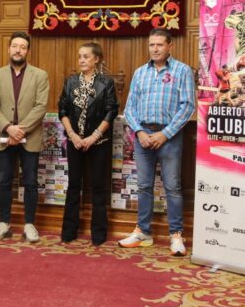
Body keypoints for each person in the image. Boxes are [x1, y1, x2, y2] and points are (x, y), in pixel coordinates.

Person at [119, 28, 195, 256]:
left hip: (169, 136)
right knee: (143, 186)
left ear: (170, 46)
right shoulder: (140, 72)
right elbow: (130, 107)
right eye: (151, 45)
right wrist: (140, 132)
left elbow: (188, 105)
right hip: (143, 136)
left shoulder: (182, 71)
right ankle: (143, 232)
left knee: (172, 187)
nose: (155, 49)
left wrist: (166, 133)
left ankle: (176, 235)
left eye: (160, 45)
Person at [0, 31, 49, 243]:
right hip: (4, 137)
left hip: (29, 138)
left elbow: (41, 106)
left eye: (22, 47)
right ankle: (3, 223)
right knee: (4, 180)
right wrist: (8, 128)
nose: (18, 50)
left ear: (28, 51)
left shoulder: (40, 75)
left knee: (30, 181)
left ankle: (30, 224)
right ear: (9, 49)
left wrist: (20, 129)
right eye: (15, 46)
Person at [58, 43, 119, 246]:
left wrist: (93, 137)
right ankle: (69, 231)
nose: (82, 60)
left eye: (86, 56)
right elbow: (63, 110)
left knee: (98, 187)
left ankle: (99, 234)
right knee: (74, 185)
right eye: (80, 57)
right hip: (74, 141)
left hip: (99, 142)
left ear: (96, 60)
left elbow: (111, 111)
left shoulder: (106, 83)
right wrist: (72, 135)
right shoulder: (71, 82)